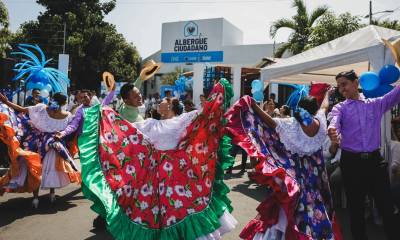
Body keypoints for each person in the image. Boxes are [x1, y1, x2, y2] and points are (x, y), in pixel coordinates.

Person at [77, 79, 237, 239]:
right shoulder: (150, 124)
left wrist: (219, 90)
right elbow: (128, 129)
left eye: (165, 100)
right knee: (157, 213)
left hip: (177, 177)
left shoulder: (182, 121)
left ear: (171, 106)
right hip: (154, 177)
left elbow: (205, 115)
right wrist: (103, 114)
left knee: (178, 209)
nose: (160, 101)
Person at [225, 89, 341, 239]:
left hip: (294, 178)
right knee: (315, 208)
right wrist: (327, 94)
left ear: (299, 108)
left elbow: (270, 121)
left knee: (288, 207)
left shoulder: (292, 125)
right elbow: (324, 107)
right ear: (314, 110)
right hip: (316, 178)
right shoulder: (320, 122)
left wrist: (253, 105)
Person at [328, 70, 399, 240]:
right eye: (339, 86)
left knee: (387, 207)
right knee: (356, 210)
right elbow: (334, 121)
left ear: (356, 83)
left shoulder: (376, 104)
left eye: (344, 84)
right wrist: (333, 131)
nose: (341, 89)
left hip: (375, 162)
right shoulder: (341, 107)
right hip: (351, 163)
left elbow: (396, 94)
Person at [0, 92, 80, 208]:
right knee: (51, 170)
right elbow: (71, 131)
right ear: (64, 103)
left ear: (52, 99)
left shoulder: (41, 108)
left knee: (35, 170)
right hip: (54, 148)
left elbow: (21, 109)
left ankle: (35, 198)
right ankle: (52, 194)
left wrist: (6, 102)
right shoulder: (67, 116)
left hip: (37, 144)